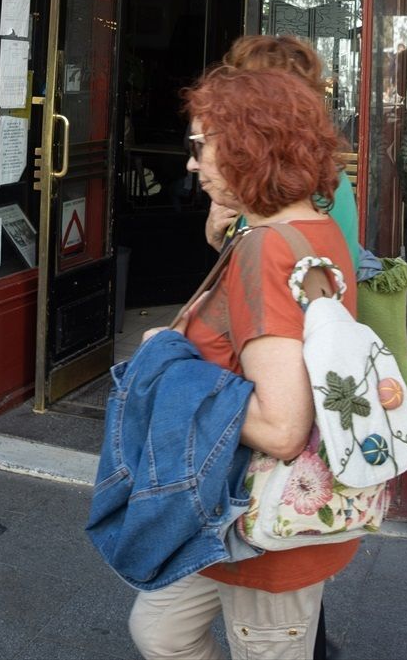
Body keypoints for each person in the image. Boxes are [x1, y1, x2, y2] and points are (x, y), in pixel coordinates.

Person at [127, 65, 357, 660]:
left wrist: (168, 365)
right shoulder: (313, 228)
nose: (190, 162)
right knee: (161, 632)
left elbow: (281, 429)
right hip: (220, 516)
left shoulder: (268, 249)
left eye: (201, 145)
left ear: (249, 146)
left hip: (256, 525)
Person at [206, 36, 364, 271]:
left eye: (242, 88)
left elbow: (301, 285)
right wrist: (221, 239)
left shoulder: (315, 183)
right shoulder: (265, 171)